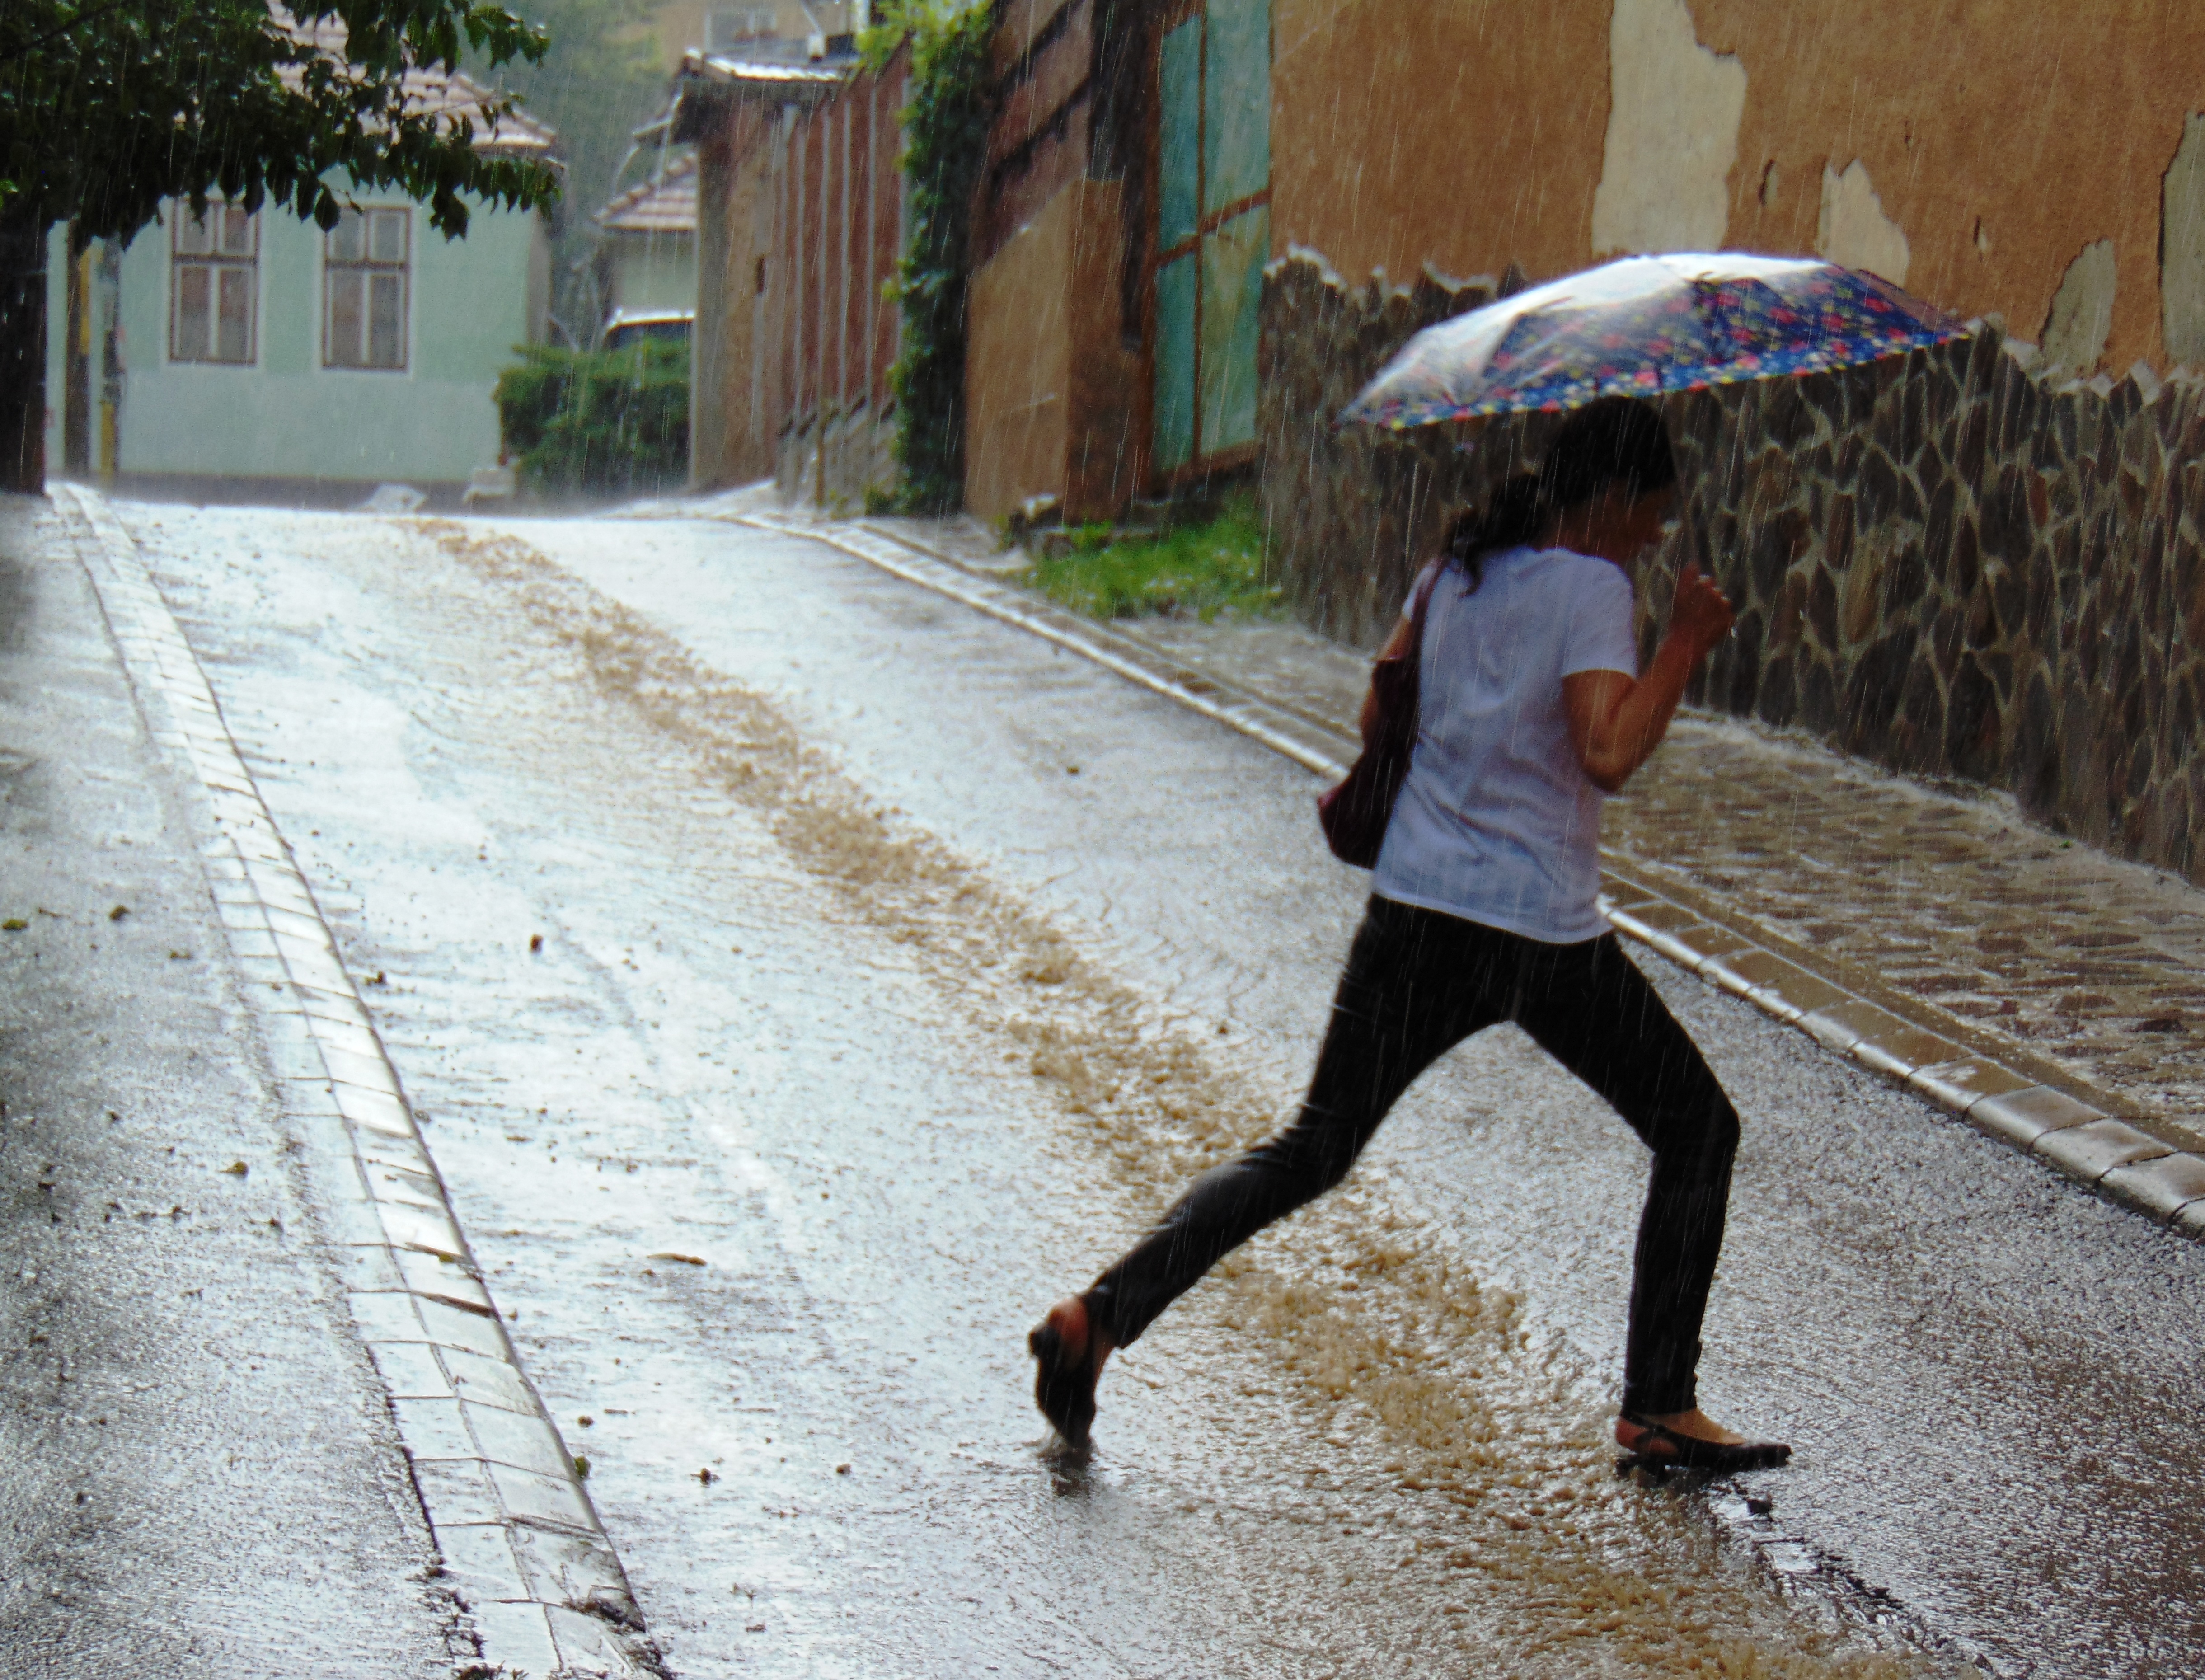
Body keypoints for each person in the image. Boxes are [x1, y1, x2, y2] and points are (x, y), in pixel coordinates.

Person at [1028, 397, 1790, 1474]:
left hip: (1413, 909)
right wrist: (1681, 643)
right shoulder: (1593, 587)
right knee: (1698, 1130)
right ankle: (1659, 1399)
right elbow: (1607, 751)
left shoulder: (1456, 572)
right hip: (1533, 931)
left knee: (1310, 1147)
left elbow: (1375, 709)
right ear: (1613, 499)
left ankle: (1097, 1315)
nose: (1657, 536)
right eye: (1653, 515)